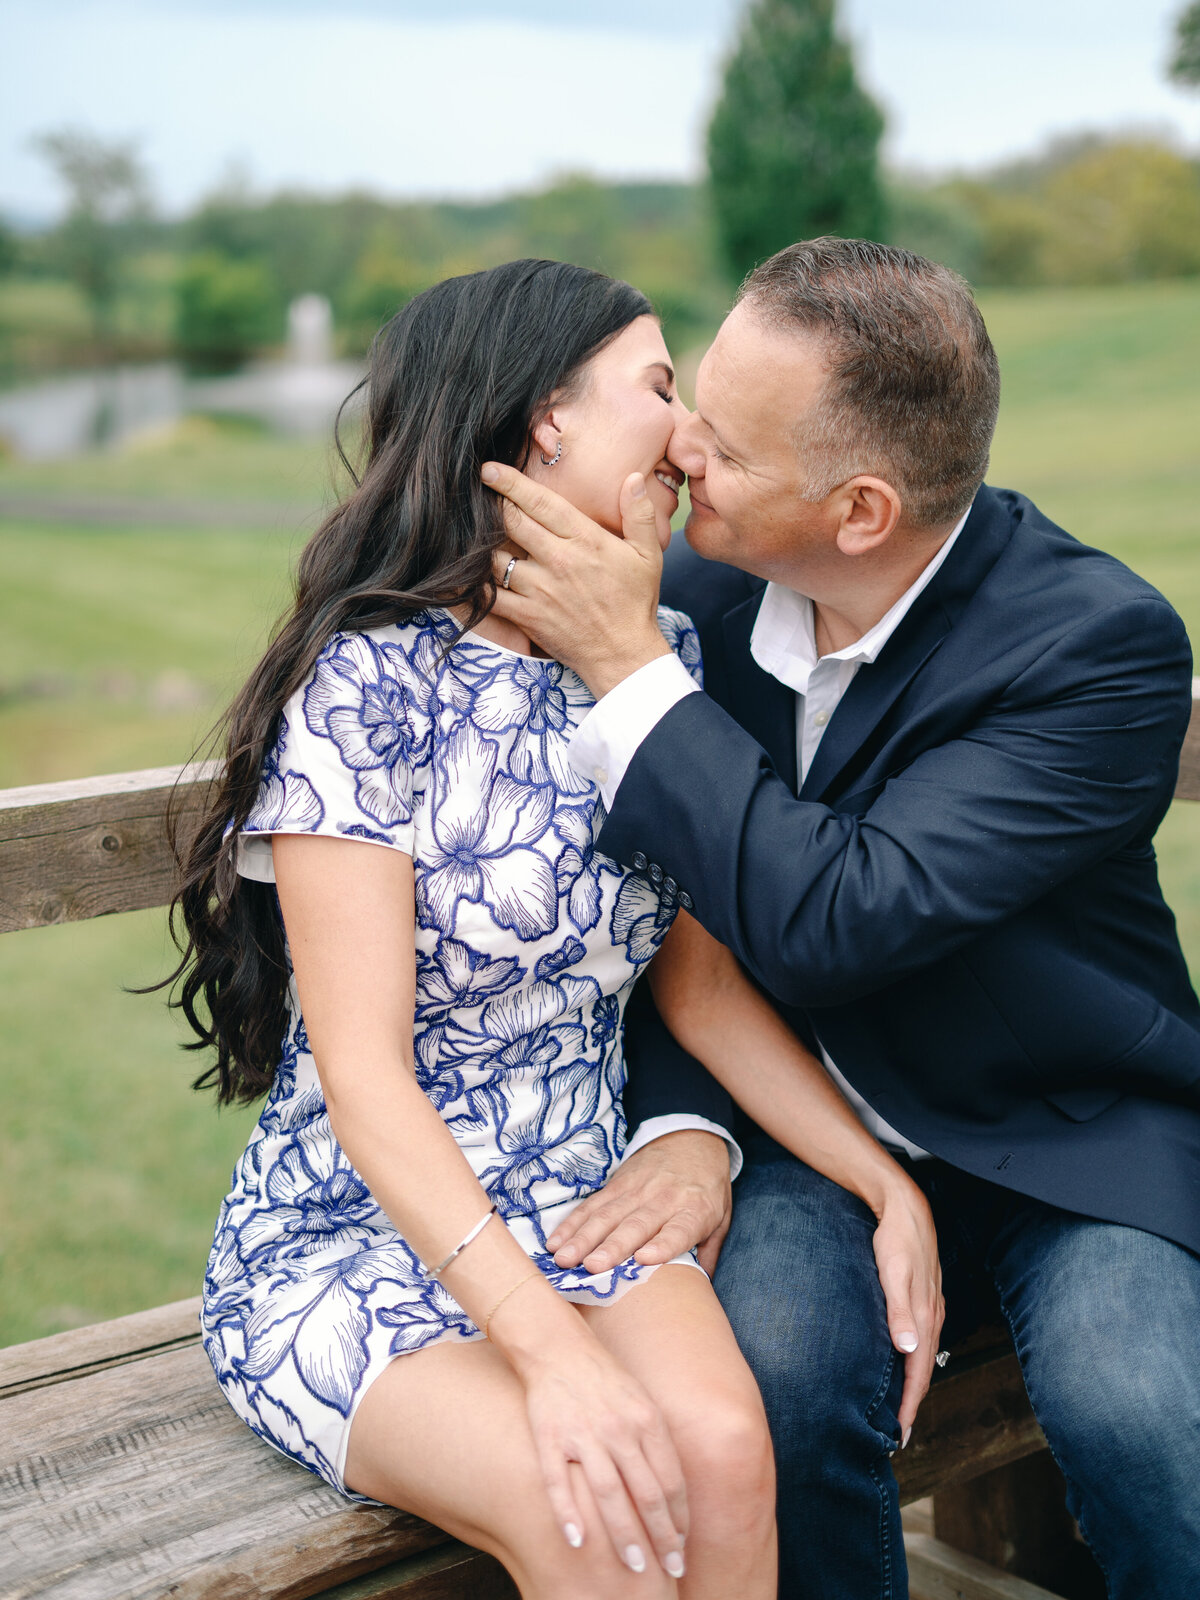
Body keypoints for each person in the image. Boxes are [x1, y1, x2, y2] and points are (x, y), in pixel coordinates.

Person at [170, 258, 944, 1600]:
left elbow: (699, 996)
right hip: (364, 1228)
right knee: (594, 1508)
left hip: (578, 1200)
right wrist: (555, 1354)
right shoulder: (372, 685)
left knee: (720, 1447)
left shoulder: (655, 674)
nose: (689, 436)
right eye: (658, 388)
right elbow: (362, 1076)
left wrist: (883, 1180)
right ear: (544, 427)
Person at [483, 237, 1200, 1599]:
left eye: (729, 444)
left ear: (861, 511)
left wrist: (633, 674)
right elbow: (666, 922)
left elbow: (838, 918)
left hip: (1067, 1128)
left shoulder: (1095, 643)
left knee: (1142, 1409)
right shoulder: (690, 589)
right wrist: (687, 1124)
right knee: (780, 1382)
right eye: (694, 393)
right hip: (795, 1122)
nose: (681, 445)